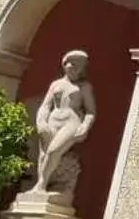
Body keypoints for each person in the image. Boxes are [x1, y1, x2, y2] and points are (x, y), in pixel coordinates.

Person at [29, 51, 96, 195]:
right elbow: (45, 105)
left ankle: (42, 184)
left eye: (77, 64)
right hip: (53, 120)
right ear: (64, 64)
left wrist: (85, 125)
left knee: (54, 150)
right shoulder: (56, 84)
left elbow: (91, 111)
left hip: (71, 121)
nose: (73, 66)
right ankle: (41, 184)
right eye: (70, 62)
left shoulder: (84, 86)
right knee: (43, 154)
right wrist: (41, 122)